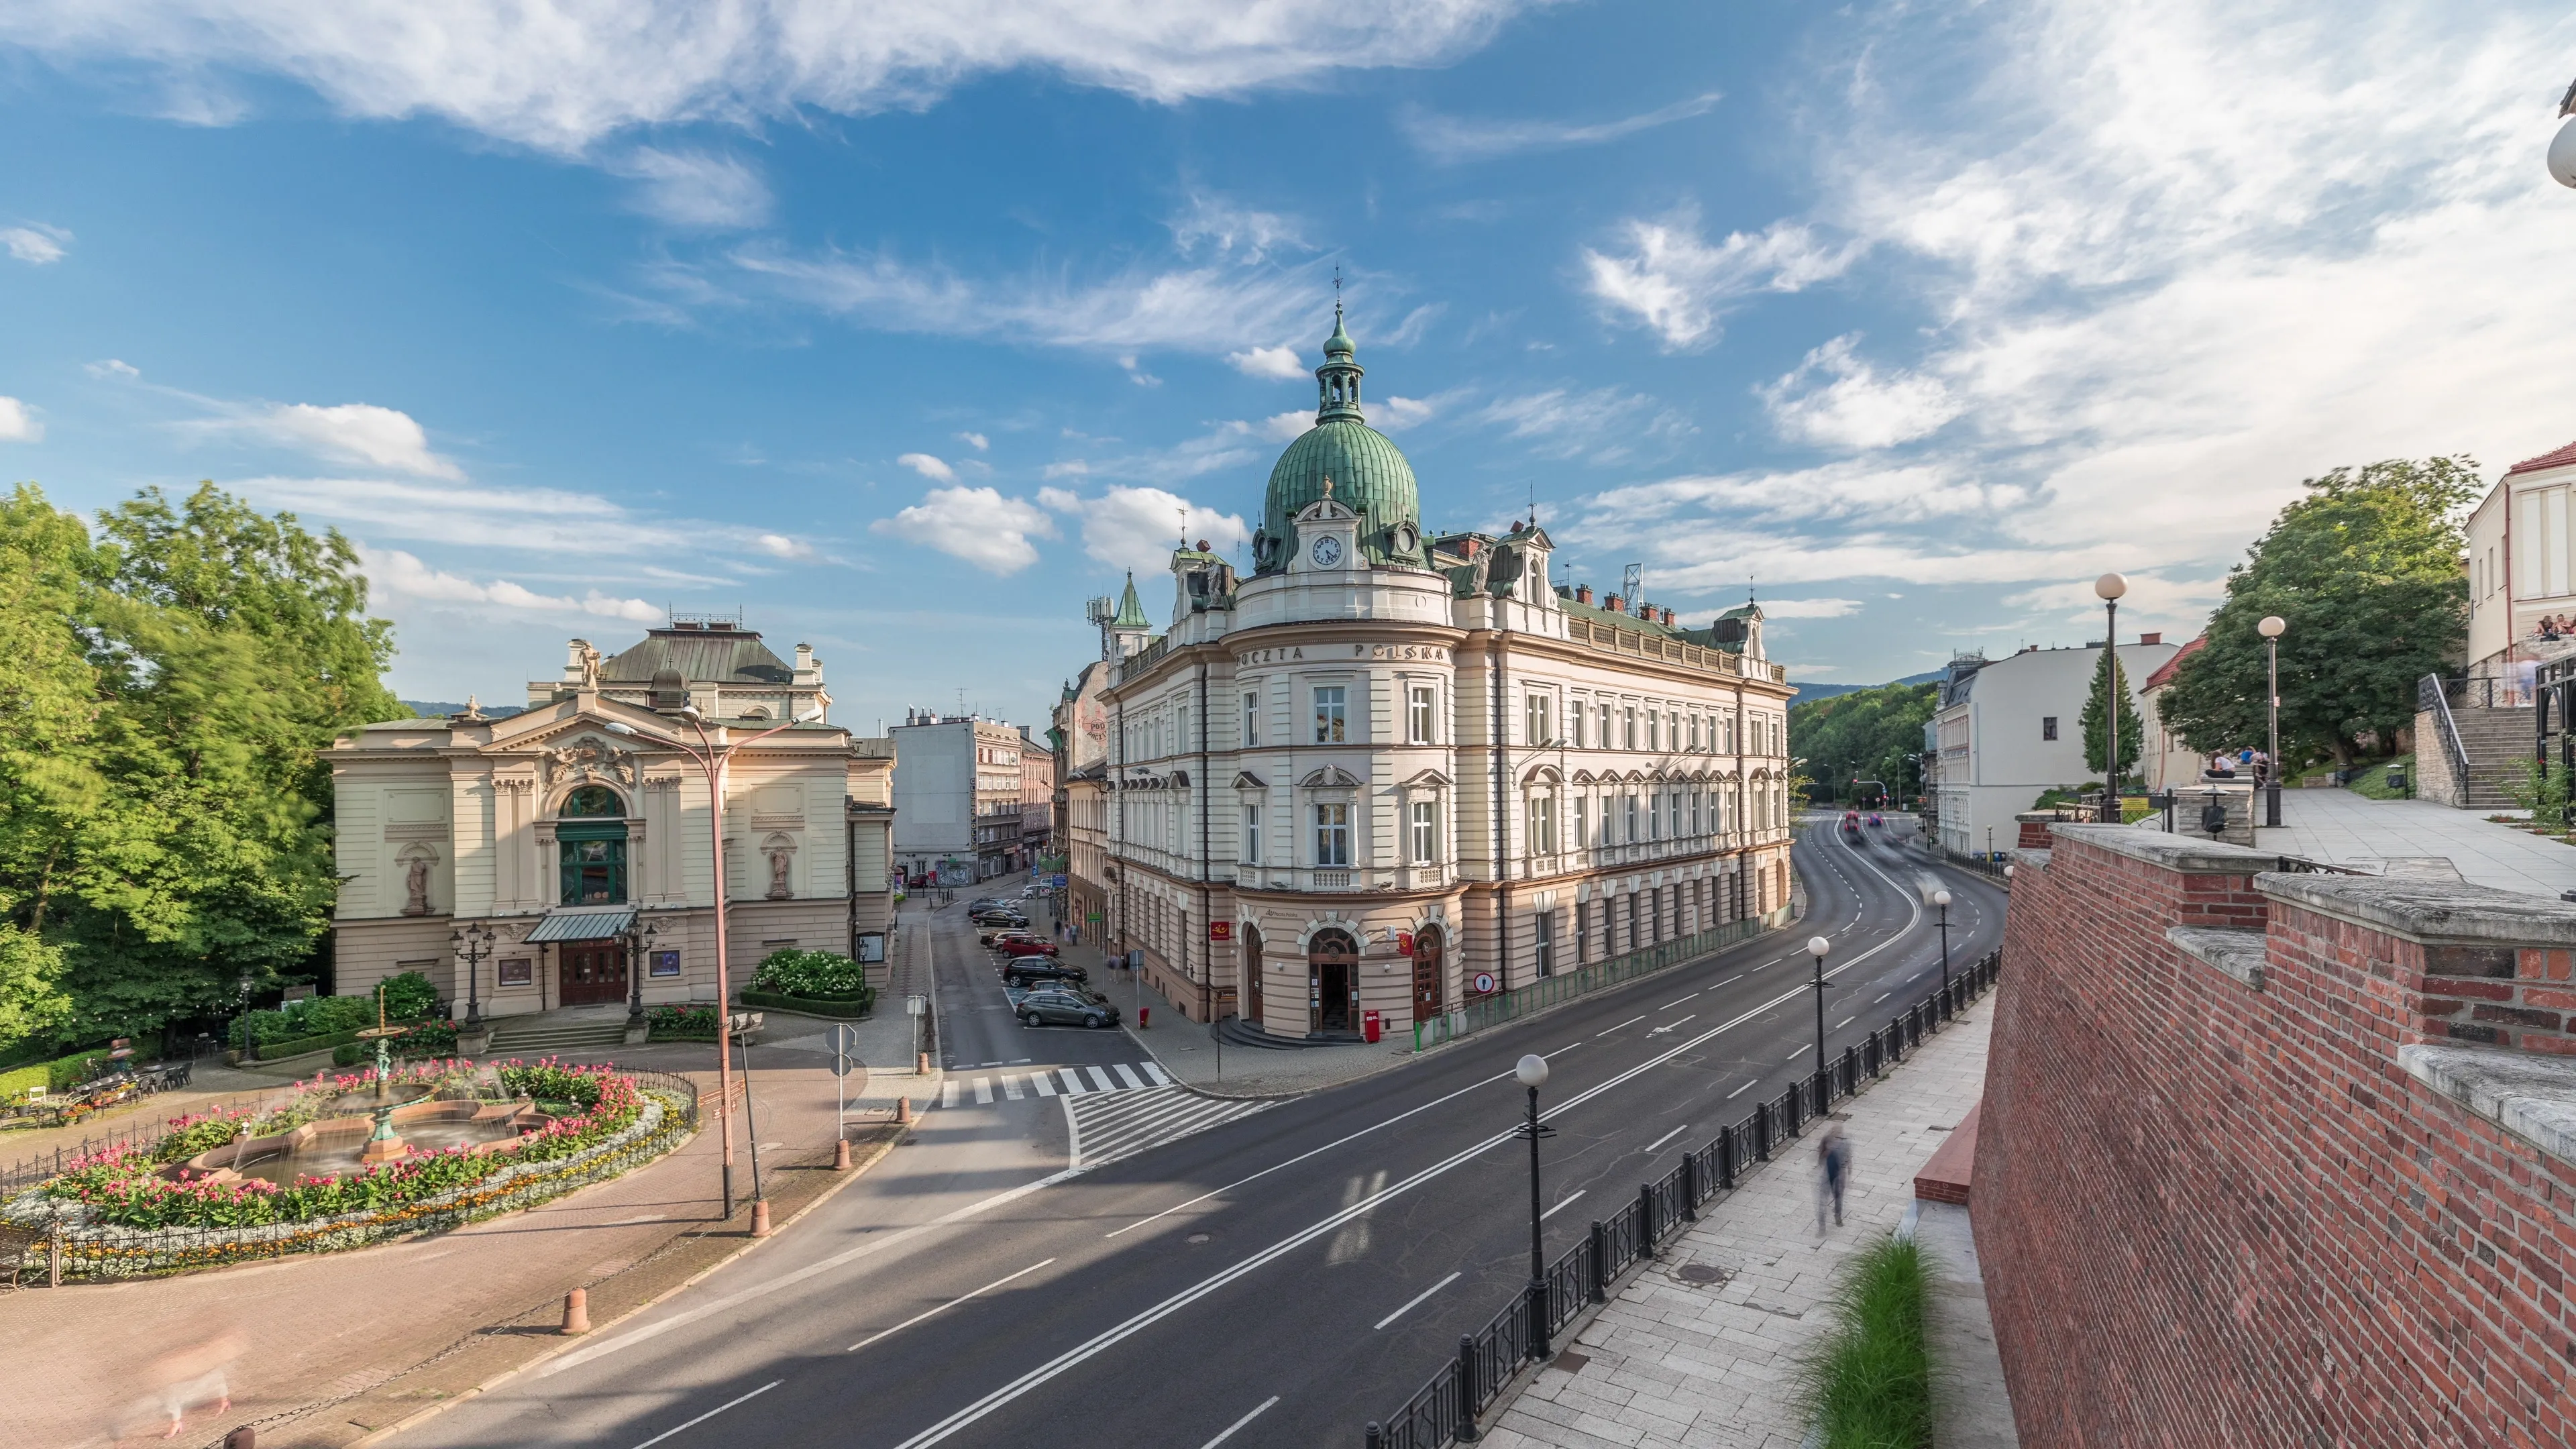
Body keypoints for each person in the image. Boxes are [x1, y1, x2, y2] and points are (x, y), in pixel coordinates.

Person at [1817, 1126, 1851, 1232]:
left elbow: (1849, 1158)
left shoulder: (1845, 1144)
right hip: (1827, 1174)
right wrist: (1826, 1152)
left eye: (1838, 1133)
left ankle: (1838, 1216)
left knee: (1838, 1197)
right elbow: (1820, 1155)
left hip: (1839, 1175)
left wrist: (1850, 1172)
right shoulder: (1826, 1139)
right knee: (1822, 1200)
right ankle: (1822, 1226)